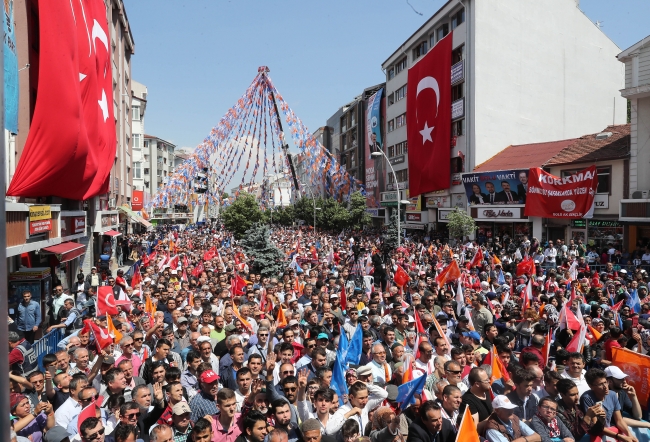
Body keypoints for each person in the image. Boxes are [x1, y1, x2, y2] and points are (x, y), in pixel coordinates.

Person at [579, 369, 637, 442]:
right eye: (600, 384)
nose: (605, 386)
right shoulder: (586, 398)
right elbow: (597, 427)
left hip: (611, 432)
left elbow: (619, 420)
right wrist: (619, 437)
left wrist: (630, 435)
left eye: (605, 382)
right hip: (597, 434)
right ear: (591, 386)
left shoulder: (612, 394)